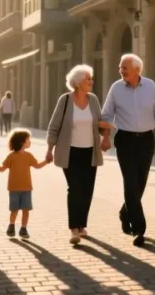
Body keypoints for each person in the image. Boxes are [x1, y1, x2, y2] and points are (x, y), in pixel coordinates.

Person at [101, 53, 155, 247]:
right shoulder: (116, 88)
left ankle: (125, 212)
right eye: (120, 68)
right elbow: (106, 115)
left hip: (147, 140)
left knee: (140, 183)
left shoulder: (150, 86)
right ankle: (139, 229)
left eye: (125, 68)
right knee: (130, 183)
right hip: (125, 140)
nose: (121, 71)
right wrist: (105, 138)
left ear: (137, 70)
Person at [46, 64, 105, 245]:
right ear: (78, 83)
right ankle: (74, 229)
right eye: (88, 79)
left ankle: (81, 225)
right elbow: (54, 126)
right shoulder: (65, 100)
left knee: (87, 190)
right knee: (74, 189)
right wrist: (49, 149)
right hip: (70, 152)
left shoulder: (93, 100)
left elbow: (100, 122)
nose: (91, 82)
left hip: (90, 152)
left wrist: (107, 134)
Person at [0, 129, 49, 238]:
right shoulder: (11, 156)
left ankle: (23, 229)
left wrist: (47, 161)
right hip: (14, 189)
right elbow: (1, 168)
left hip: (27, 188)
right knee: (14, 210)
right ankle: (11, 225)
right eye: (28, 139)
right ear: (22, 142)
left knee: (26, 210)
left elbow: (37, 166)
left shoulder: (29, 155)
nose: (30, 141)